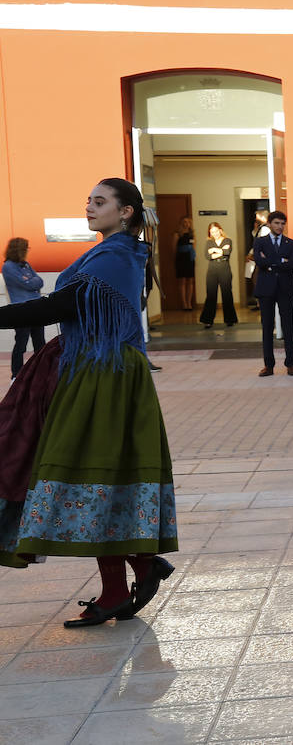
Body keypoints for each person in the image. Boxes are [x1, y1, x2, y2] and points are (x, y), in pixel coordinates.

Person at [0, 178, 176, 626]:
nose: (90, 208)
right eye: (89, 201)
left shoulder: (116, 255)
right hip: (90, 369)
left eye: (100, 202)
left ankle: (134, 570)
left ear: (126, 213)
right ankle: (125, 579)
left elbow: (58, 307)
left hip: (105, 375)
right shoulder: (109, 253)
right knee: (97, 479)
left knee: (90, 474)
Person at [252, 211, 293, 377]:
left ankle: (291, 364)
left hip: (285, 289)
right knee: (267, 327)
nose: (280, 227)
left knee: (288, 327)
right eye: (277, 223)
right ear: (270, 224)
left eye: (282, 224)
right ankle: (269, 365)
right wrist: (281, 260)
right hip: (266, 289)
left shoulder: (291, 243)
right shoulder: (260, 242)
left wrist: (271, 262)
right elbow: (259, 261)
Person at [2, 238, 46, 379]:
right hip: (21, 310)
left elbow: (39, 281)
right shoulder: (8, 266)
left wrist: (30, 280)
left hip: (36, 308)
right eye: (26, 248)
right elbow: (29, 284)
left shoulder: (25, 265)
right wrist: (30, 280)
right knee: (21, 344)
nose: (27, 251)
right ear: (19, 249)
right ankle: (16, 375)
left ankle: (41, 373)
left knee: (40, 344)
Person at [199, 222, 237, 329]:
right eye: (212, 232)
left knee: (227, 294)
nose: (214, 234)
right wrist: (221, 251)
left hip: (224, 269)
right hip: (212, 270)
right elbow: (208, 256)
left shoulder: (227, 240)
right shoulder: (209, 242)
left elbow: (227, 252)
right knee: (211, 295)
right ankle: (208, 320)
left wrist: (215, 251)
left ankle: (230, 320)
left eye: (216, 231)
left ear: (220, 230)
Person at [173, 216, 195, 310]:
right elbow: (174, 249)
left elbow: (194, 246)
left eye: (188, 222)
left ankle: (189, 303)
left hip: (190, 259)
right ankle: (184, 304)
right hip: (181, 259)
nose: (186, 224)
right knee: (182, 281)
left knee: (190, 281)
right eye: (184, 222)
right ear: (181, 223)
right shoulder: (177, 234)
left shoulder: (192, 235)